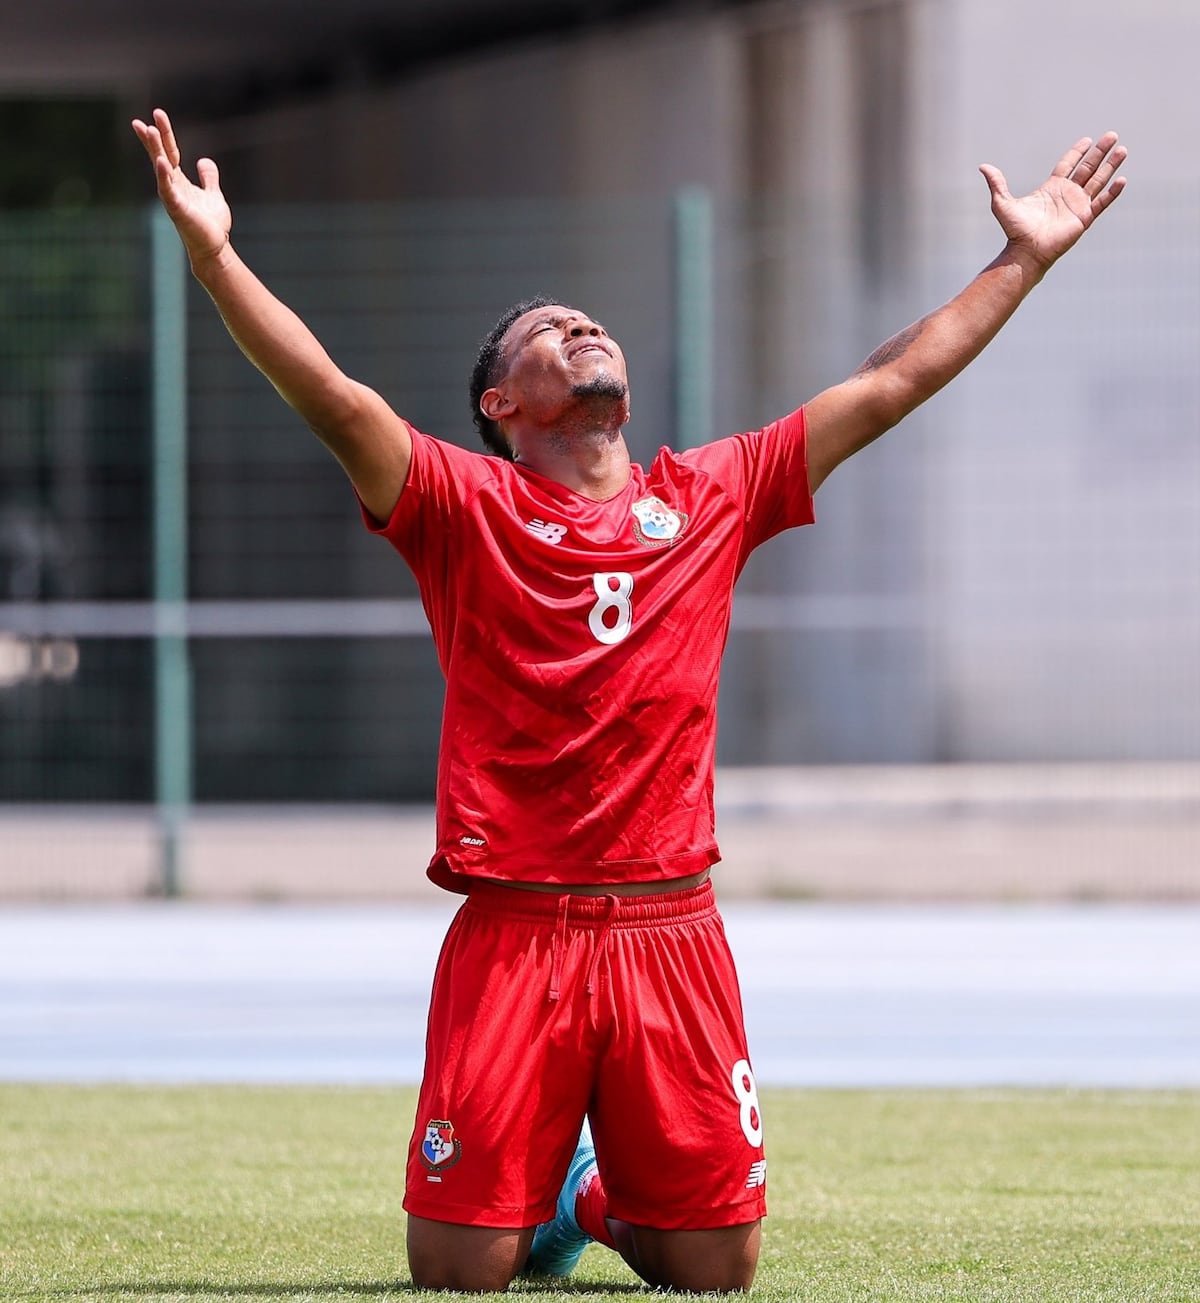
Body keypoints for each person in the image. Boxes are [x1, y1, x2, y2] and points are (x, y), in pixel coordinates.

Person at [132, 108, 1127, 1293]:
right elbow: (333, 396)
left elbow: (888, 380)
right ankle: (541, 1193)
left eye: (587, 319)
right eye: (545, 333)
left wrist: (1022, 259)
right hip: (514, 935)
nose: (579, 324)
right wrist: (215, 257)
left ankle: (591, 1194)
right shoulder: (460, 507)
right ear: (501, 408)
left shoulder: (712, 493)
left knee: (717, 1269)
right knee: (458, 1272)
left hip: (672, 931)